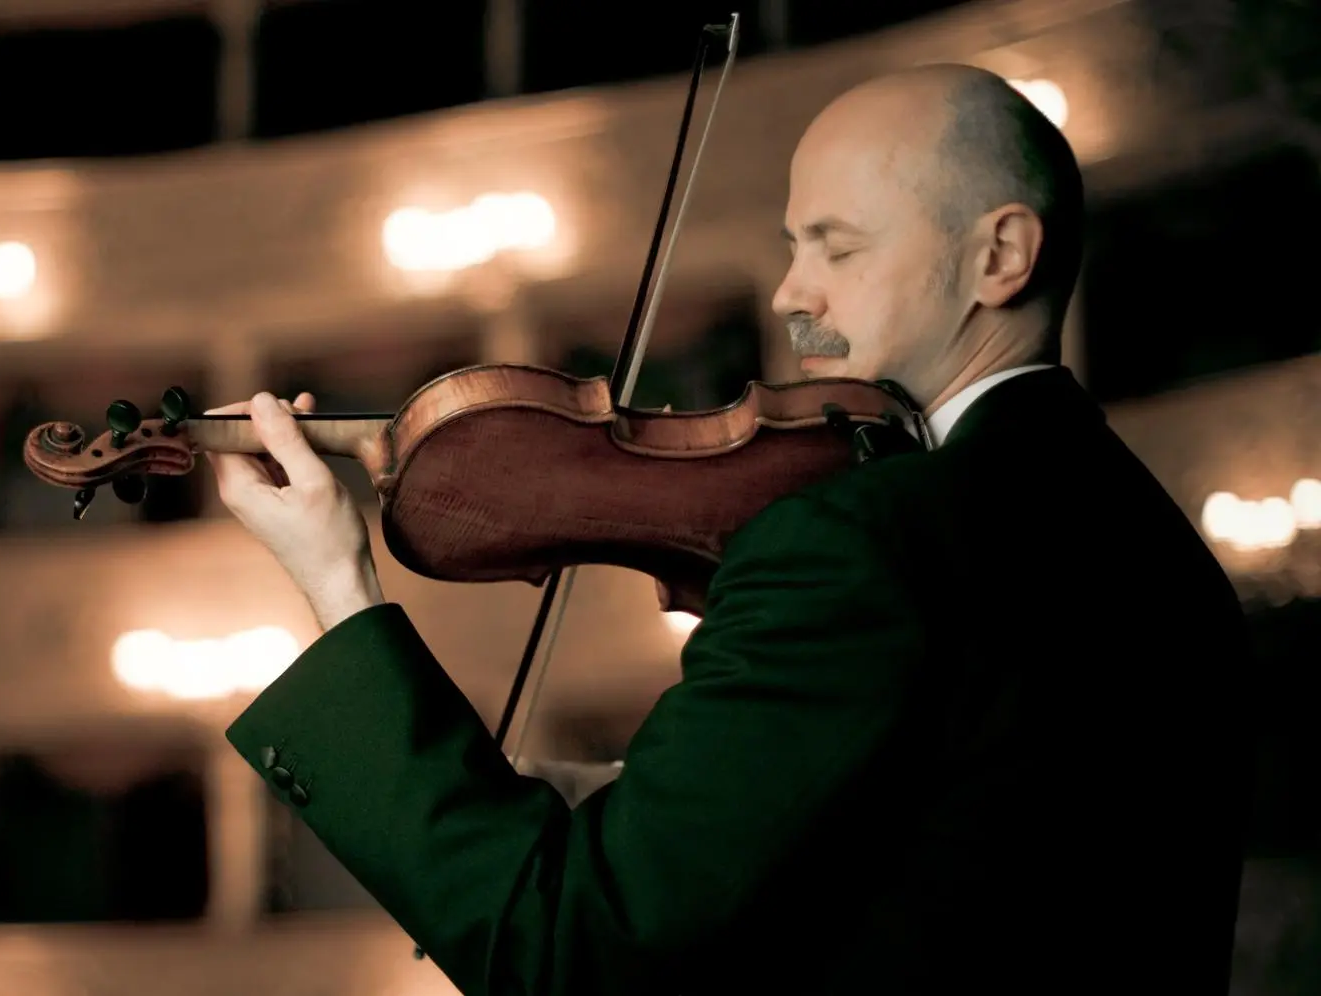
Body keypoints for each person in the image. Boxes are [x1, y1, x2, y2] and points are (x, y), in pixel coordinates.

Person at [205, 64, 1254, 995]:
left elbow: (569, 953)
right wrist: (635, 800)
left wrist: (337, 575)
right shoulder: (1158, 549)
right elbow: (966, 848)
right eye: (794, 249)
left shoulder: (860, 541)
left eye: (835, 248)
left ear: (1001, 255)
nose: (793, 296)